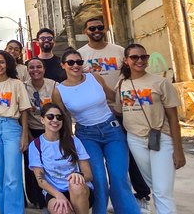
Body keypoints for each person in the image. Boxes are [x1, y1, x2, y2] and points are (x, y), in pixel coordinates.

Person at [52, 49, 140, 214]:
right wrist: (67, 141)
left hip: (112, 130)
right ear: (63, 65)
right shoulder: (59, 91)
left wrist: (133, 104)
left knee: (119, 177)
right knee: (98, 179)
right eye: (70, 62)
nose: (75, 66)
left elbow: (114, 97)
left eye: (79, 62)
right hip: (86, 135)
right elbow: (63, 118)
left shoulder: (94, 78)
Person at [79, 18, 152, 210]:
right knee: (99, 170)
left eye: (100, 27)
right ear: (85, 31)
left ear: (105, 29)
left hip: (123, 109)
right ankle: (105, 204)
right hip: (97, 114)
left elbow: (132, 77)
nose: (96, 30)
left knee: (130, 157)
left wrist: (119, 101)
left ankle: (141, 195)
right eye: (92, 28)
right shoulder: (81, 55)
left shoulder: (119, 51)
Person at [115, 44, 185, 214]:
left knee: (162, 189)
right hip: (135, 139)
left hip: (161, 138)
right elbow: (118, 109)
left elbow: (173, 118)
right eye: (134, 57)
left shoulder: (161, 82)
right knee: (156, 184)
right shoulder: (122, 84)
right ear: (126, 61)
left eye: (143, 57)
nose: (139, 60)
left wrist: (178, 150)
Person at [0, 50, 31, 214]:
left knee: (13, 175)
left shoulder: (16, 84)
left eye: (1, 62)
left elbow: (24, 110)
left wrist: (24, 135)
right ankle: (3, 210)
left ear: (7, 63)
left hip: (11, 127)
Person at [29, 103, 94, 214]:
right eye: (50, 116)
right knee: (61, 210)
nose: (55, 120)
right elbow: (41, 180)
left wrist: (79, 175)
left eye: (59, 117)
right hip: (54, 192)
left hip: (80, 190)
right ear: (42, 120)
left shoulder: (73, 141)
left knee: (75, 184)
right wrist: (59, 196)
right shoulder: (36, 145)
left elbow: (88, 174)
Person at [24, 57, 58, 209]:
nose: (35, 70)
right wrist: (27, 135)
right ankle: (36, 199)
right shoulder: (23, 87)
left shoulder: (53, 85)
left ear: (44, 69)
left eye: (39, 67)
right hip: (32, 130)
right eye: (31, 67)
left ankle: (54, 197)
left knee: (51, 165)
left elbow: (61, 110)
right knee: (32, 167)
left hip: (51, 130)